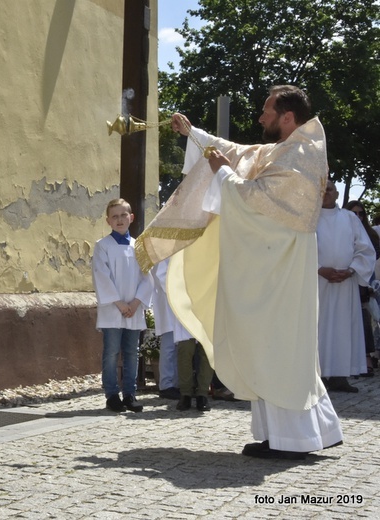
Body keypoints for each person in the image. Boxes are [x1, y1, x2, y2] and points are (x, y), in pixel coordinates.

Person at [136, 85, 343, 460]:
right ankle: (282, 436)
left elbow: (258, 202)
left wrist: (225, 176)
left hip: (279, 273)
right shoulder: (285, 150)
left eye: (267, 111)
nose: (260, 118)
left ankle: (293, 441)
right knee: (267, 347)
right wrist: (194, 134)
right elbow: (239, 153)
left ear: (287, 117)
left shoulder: (301, 154)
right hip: (272, 269)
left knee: (276, 349)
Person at [92, 199, 153, 413]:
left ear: (131, 217)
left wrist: (135, 303)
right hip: (113, 309)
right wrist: (119, 303)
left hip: (133, 310)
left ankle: (130, 393)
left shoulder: (139, 246)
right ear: (108, 220)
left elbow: (147, 278)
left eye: (123, 215)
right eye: (115, 216)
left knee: (131, 352)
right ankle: (111, 394)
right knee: (111, 352)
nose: (119, 220)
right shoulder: (103, 246)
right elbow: (102, 276)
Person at [317, 181, 375, 391]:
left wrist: (351, 270)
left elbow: (365, 249)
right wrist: (318, 268)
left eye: (329, 189)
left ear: (337, 193)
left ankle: (340, 376)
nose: (325, 192)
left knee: (343, 328)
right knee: (319, 327)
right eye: (321, 188)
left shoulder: (349, 218)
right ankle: (319, 375)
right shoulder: (308, 219)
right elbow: (299, 249)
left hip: (345, 284)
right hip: (317, 283)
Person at [152, 259, 212, 411]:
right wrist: (180, 294)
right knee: (185, 349)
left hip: (204, 301)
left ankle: (202, 394)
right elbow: (162, 273)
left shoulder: (205, 240)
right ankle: (185, 394)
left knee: (206, 350)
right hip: (183, 303)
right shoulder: (174, 243)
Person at [343, 199, 380, 376]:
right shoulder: (343, 229)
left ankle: (367, 357)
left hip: (364, 280)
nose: (358, 216)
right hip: (344, 278)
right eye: (354, 213)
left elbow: (372, 259)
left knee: (365, 320)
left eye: (361, 213)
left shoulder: (372, 235)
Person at [150, 259, 180, 400]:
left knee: (179, 345)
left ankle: (177, 383)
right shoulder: (165, 250)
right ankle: (166, 384)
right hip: (171, 303)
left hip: (181, 304)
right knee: (169, 346)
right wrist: (178, 293)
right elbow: (161, 275)